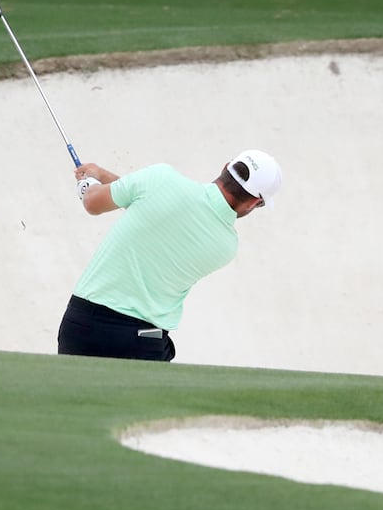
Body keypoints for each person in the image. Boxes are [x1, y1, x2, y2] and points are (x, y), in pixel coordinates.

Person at [57, 150, 283, 362]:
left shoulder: (160, 179)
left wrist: (90, 184)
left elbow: (94, 203)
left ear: (226, 166)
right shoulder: (227, 245)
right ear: (255, 202)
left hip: (82, 325)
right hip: (142, 340)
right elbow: (159, 211)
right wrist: (103, 173)